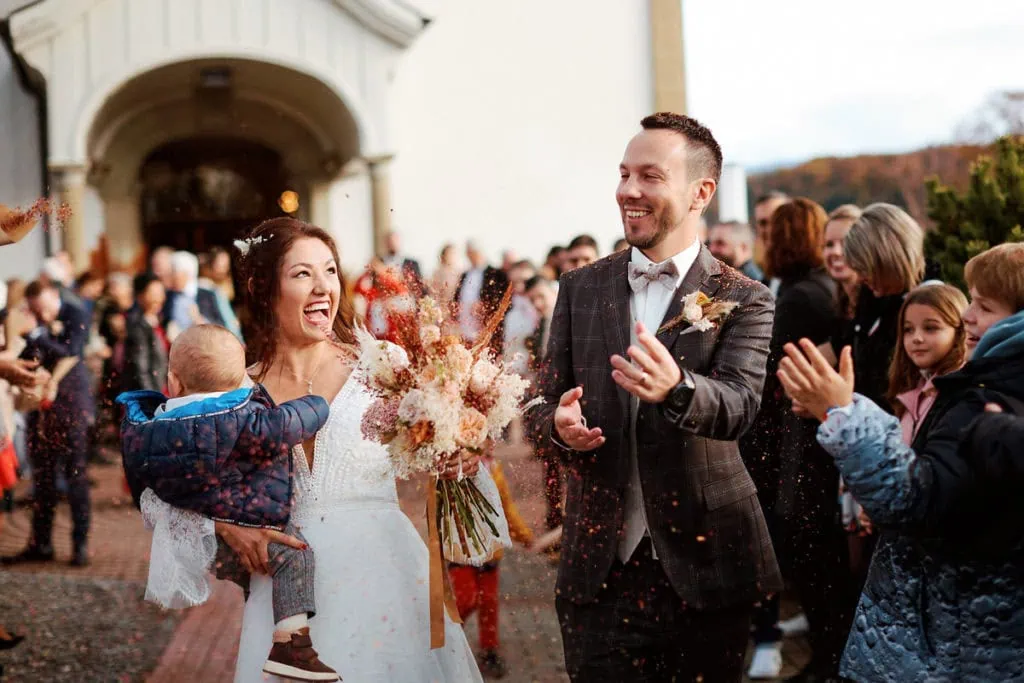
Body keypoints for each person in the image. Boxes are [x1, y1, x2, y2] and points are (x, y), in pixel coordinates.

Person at [160, 217, 485, 681]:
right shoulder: (235, 391)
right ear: (261, 286)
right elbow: (170, 484)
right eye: (302, 274)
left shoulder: (383, 367)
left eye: (330, 271)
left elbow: (436, 452)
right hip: (285, 612)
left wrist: (457, 453)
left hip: (384, 582)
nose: (322, 288)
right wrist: (224, 522)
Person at [526, 112, 780, 681]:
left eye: (649, 176)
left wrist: (678, 389)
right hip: (600, 569)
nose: (628, 191)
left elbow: (740, 406)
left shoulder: (744, 297)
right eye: (623, 174)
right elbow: (539, 404)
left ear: (701, 192)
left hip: (706, 563)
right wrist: (556, 426)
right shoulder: (581, 285)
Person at [776, 242, 1024, 682]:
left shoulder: (991, 402)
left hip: (957, 642)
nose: (969, 316)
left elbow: (914, 499)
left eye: (984, 306)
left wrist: (843, 414)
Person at [118, 325, 339, 682]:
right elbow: (284, 426)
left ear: (173, 383)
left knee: (252, 579)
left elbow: (143, 488)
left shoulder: (144, 429)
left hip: (213, 543)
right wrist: (316, 404)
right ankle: (291, 645)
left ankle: (250, 588)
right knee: (296, 556)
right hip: (252, 519)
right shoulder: (240, 421)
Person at [741, 198, 853, 682]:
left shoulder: (803, 297)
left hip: (800, 441)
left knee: (812, 557)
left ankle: (826, 661)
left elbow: (770, 374)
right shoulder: (812, 290)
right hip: (800, 438)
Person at [3, 280, 94, 566]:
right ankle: (41, 543)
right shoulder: (33, 320)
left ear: (54, 296)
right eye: (35, 311)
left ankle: (80, 546)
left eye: (43, 308)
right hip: (39, 406)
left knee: (75, 475)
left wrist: (37, 333)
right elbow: (26, 357)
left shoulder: (75, 313)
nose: (41, 315)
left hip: (71, 406)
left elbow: (70, 349)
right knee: (42, 479)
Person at [449, 452, 534, 679]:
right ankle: (448, 639)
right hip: (462, 549)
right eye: (485, 437)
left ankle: (489, 651)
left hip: (490, 549)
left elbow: (505, 507)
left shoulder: (494, 468)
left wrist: (524, 535)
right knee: (466, 598)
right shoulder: (452, 465)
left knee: (488, 602)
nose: (491, 442)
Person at [523, 275, 563, 533]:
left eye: (541, 296)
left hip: (568, 403)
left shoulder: (569, 317)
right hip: (546, 406)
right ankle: (555, 522)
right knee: (550, 470)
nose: (538, 303)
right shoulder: (539, 327)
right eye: (533, 300)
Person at [454, 242, 510, 355]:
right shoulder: (465, 274)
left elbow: (502, 298)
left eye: (472, 253)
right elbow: (457, 296)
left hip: (485, 325)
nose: (470, 257)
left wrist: (484, 306)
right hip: (464, 323)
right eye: (468, 254)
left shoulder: (496, 273)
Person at [121, 274, 169, 393]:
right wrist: (151, 398)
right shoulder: (137, 326)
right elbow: (141, 368)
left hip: (164, 388)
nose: (158, 299)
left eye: (160, 293)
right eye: (153, 294)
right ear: (140, 296)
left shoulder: (161, 321)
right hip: (151, 392)